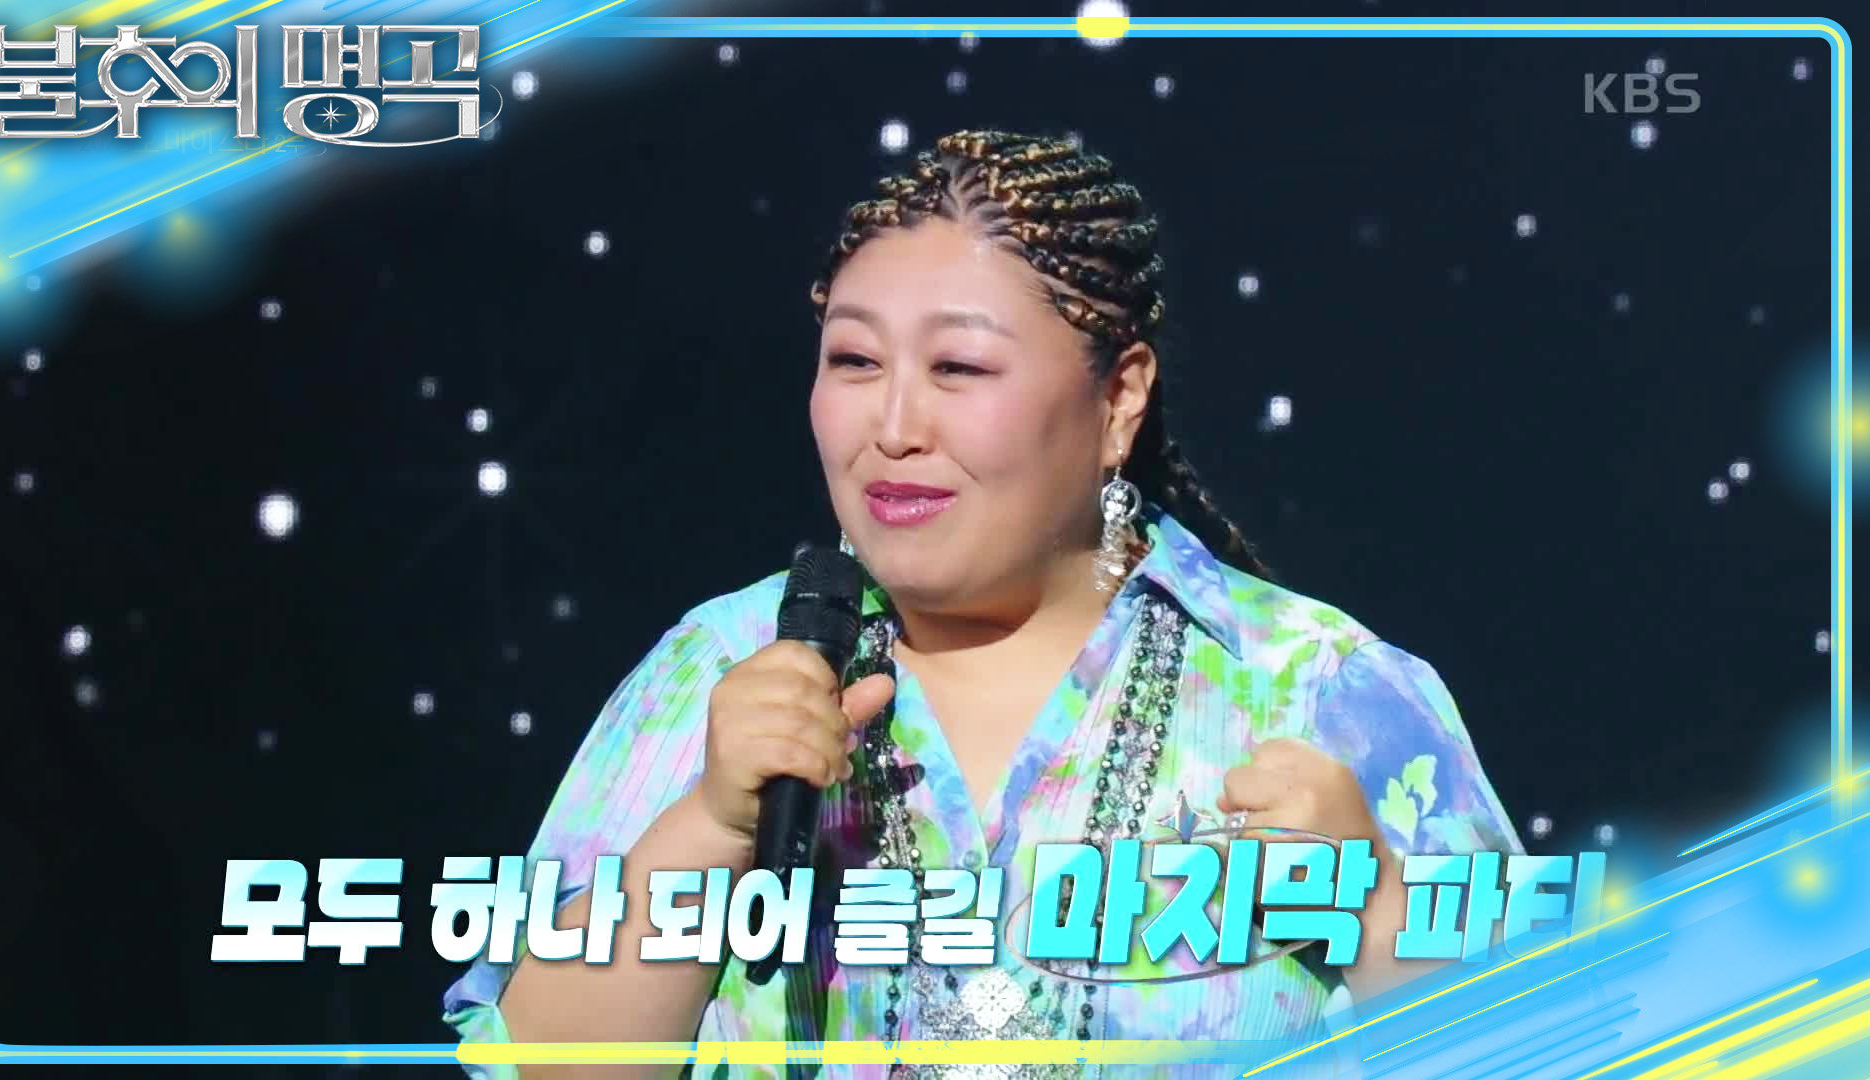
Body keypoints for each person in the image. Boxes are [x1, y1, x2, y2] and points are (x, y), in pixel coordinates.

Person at [442, 129, 1524, 1078]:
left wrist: (1382, 912)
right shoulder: (721, 666)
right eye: (854, 359)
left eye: (959, 367)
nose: (893, 426)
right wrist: (713, 826)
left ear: (1120, 396)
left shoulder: (1315, 687)